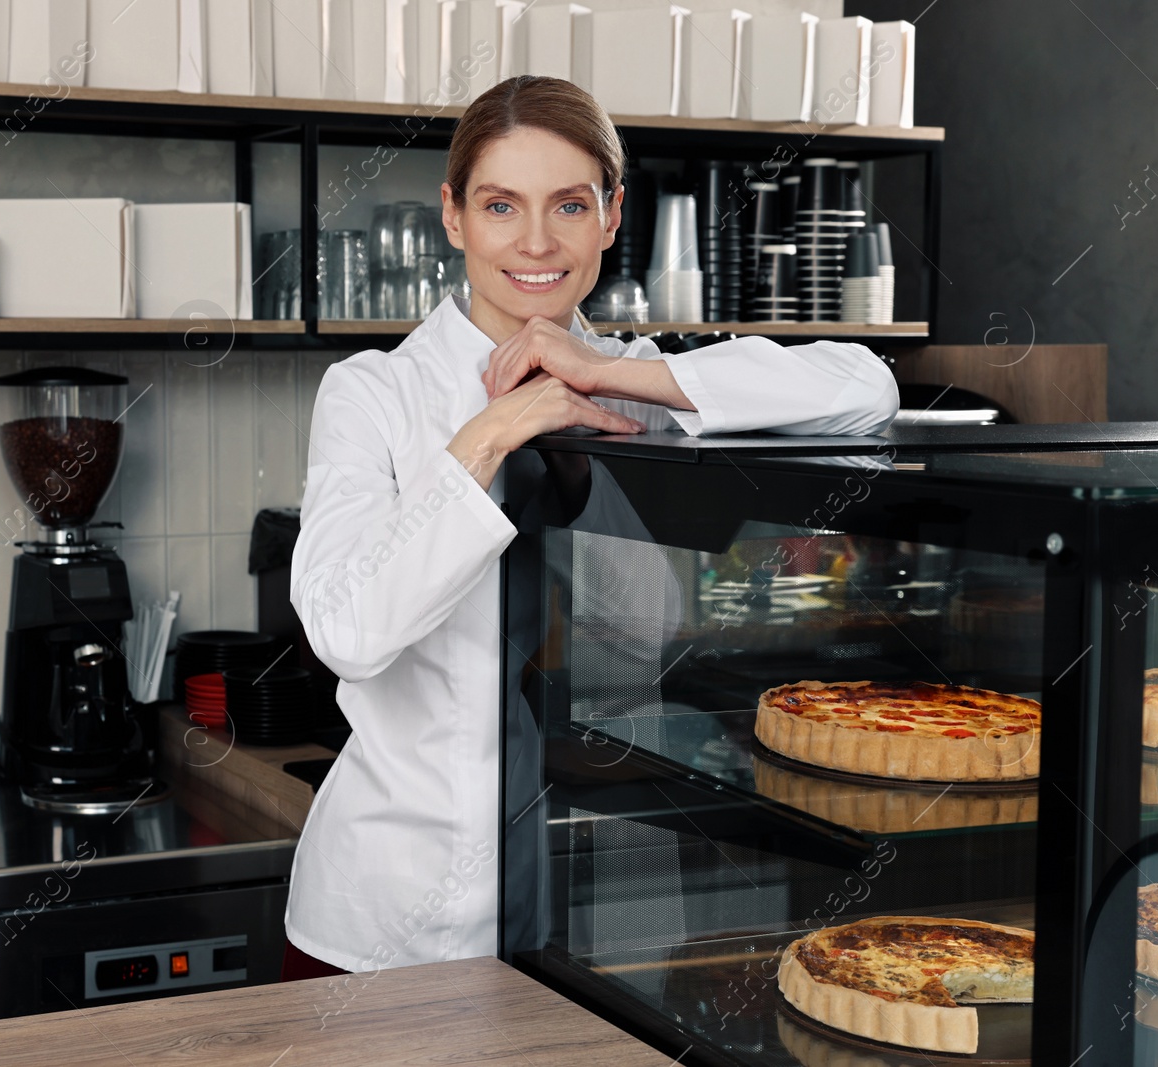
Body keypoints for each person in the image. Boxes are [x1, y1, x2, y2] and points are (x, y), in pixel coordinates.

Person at [281, 75, 899, 981]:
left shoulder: (639, 385)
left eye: (569, 205)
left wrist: (612, 378)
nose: (536, 243)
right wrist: (494, 431)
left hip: (608, 908)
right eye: (501, 205)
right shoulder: (373, 394)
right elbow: (346, 632)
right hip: (397, 924)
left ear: (612, 216)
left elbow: (864, 388)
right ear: (453, 216)